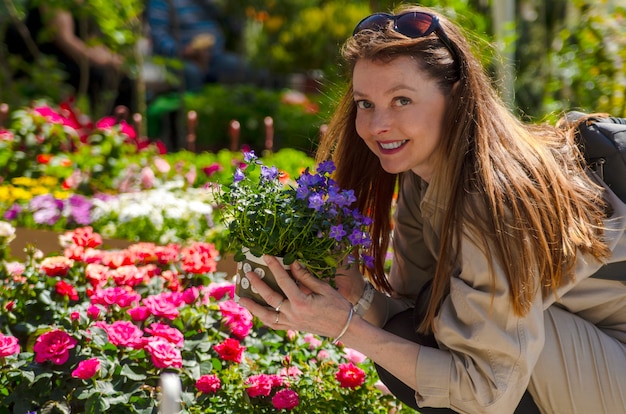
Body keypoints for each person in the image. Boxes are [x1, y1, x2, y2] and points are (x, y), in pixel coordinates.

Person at [238, 4, 626, 414]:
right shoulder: (424, 175)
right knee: (419, 328)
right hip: (574, 342)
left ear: (455, 97)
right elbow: (411, 315)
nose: (376, 125)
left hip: (613, 361)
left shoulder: (495, 195)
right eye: (365, 104)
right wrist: (356, 295)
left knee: (446, 344)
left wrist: (344, 328)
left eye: (401, 100)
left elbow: (486, 392)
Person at [4, 4, 136, 115]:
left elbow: (92, 41)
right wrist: (100, 60)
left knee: (123, 78)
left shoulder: (86, 5)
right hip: (49, 61)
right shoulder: (56, 3)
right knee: (103, 78)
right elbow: (66, 40)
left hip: (74, 57)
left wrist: (112, 59)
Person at [146, 0, 258, 92]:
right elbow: (159, 37)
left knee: (242, 68)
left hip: (214, 56)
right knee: (193, 74)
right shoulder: (161, 2)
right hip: (179, 59)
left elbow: (235, 25)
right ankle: (193, 116)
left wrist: (223, 6)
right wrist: (184, 51)